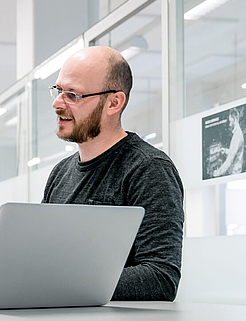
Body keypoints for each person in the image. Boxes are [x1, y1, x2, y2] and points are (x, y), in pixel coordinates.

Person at [41, 46, 184, 301]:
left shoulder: (148, 168)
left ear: (114, 103)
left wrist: (62, 284)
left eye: (72, 95)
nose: (57, 103)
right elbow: (44, 258)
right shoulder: (59, 174)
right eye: (58, 90)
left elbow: (161, 277)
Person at [213, 108, 244, 177]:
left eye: (230, 122)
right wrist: (226, 151)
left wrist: (217, 173)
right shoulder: (237, 134)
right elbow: (234, 152)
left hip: (234, 174)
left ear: (235, 119)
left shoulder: (237, 136)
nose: (229, 125)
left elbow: (229, 161)